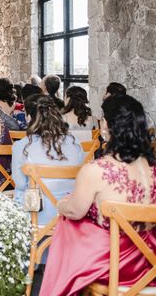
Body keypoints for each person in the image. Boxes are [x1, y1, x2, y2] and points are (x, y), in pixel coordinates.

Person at [40, 95, 156, 296]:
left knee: (70, 224)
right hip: (150, 261)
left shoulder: (96, 170)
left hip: (114, 266)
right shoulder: (152, 168)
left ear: (105, 126)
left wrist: (61, 205)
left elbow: (75, 211)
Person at [12, 94, 84, 230]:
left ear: (28, 117)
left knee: (21, 189)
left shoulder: (22, 146)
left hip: (37, 214)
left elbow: (20, 183)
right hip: (69, 214)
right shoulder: (75, 144)